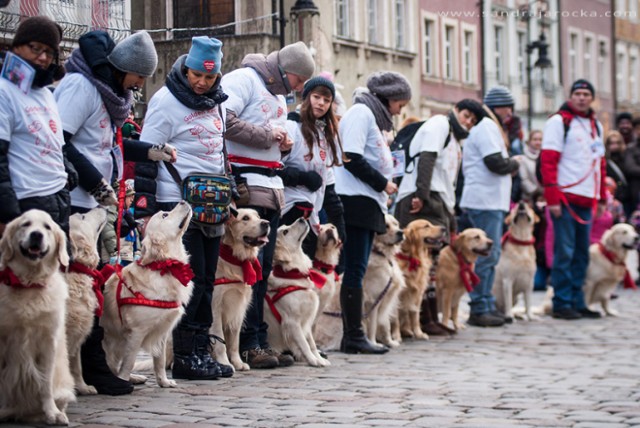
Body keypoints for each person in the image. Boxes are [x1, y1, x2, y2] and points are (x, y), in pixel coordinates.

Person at [55, 29, 174, 395]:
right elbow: (58, 139)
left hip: (96, 203)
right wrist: (95, 183)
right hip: (76, 201)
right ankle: (86, 369)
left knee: (93, 288)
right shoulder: (81, 87)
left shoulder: (111, 94)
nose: (140, 84)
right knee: (80, 290)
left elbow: (114, 143)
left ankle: (94, 367)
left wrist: (153, 151)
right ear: (123, 69)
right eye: (139, 76)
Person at [134, 36, 234, 380]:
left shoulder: (218, 102)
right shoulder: (165, 101)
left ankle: (200, 347)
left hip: (213, 204)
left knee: (206, 279)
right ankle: (186, 355)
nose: (202, 82)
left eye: (209, 77)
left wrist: (230, 188)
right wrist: (144, 206)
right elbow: (147, 153)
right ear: (185, 68)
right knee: (186, 279)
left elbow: (219, 151)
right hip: (176, 203)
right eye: (196, 75)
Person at [221, 41, 315, 369]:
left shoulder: (276, 93)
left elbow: (272, 141)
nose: (300, 88)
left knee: (259, 272)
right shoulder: (244, 79)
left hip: (272, 186)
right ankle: (246, 343)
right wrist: (267, 135)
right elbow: (223, 120)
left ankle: (258, 339)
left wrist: (284, 146)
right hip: (248, 186)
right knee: (246, 272)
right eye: (300, 81)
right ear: (286, 70)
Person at [334, 71, 412, 353]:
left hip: (368, 201)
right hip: (355, 200)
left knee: (358, 267)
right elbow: (350, 157)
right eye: (400, 105)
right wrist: (384, 183)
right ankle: (353, 335)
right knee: (354, 268)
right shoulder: (361, 113)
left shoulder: (373, 118)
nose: (399, 111)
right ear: (388, 98)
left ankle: (355, 333)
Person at [394, 98, 484, 336]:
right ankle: (422, 318)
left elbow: (448, 181)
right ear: (455, 110)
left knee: (430, 261)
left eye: (472, 121)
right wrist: (421, 195)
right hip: (423, 197)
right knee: (420, 259)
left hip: (439, 201)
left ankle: (428, 316)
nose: (468, 122)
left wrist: (451, 215)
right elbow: (427, 158)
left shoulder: (454, 139)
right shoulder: (439, 124)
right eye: (466, 116)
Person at [0, 16, 75, 237]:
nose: (42, 58)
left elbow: (56, 144)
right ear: (17, 46)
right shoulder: (4, 91)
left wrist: (68, 172)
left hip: (57, 199)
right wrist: (7, 214)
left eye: (49, 52)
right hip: (26, 201)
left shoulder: (45, 93)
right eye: (35, 48)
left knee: (58, 269)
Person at [539, 79, 606, 320]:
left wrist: (602, 198)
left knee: (582, 253)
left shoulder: (595, 125)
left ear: (591, 98)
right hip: (565, 197)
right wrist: (552, 198)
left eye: (586, 94)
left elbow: (600, 163)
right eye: (577, 93)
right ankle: (562, 301)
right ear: (570, 96)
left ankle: (579, 300)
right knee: (564, 251)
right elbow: (548, 161)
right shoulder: (559, 122)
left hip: (588, 198)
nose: (582, 98)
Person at [459, 86, 520, 327]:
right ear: (499, 107)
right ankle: (479, 306)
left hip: (490, 200)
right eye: (508, 107)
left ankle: (485, 302)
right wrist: (514, 163)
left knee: (489, 255)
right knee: (486, 255)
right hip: (484, 200)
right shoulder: (487, 127)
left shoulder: (490, 127)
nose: (510, 113)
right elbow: (495, 162)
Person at [280, 76, 343, 257]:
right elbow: (274, 168)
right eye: (317, 97)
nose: (321, 103)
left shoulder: (324, 135)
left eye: (326, 100)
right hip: (288, 207)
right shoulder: (291, 126)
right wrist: (302, 178)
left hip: (312, 213)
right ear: (307, 97)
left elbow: (325, 183)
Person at [603, 130, 630, 215]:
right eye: (612, 143)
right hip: (613, 199)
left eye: (617, 143)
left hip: (628, 197)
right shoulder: (605, 161)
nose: (614, 146)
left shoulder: (627, 158)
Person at [519, 130, 543, 202]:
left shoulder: (547, 158)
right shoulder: (523, 159)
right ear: (529, 141)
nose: (538, 142)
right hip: (529, 199)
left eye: (540, 139)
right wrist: (537, 191)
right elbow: (524, 180)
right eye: (535, 139)